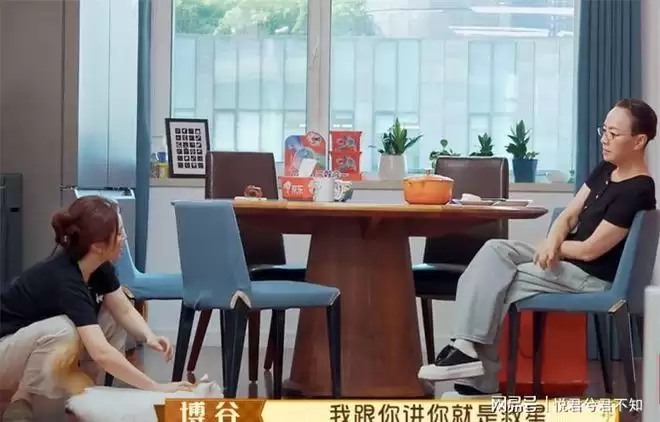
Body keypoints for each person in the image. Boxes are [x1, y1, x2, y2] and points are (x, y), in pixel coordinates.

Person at [418, 99, 657, 397]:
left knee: (499, 279)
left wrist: (555, 247)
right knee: (495, 250)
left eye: (614, 134)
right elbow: (568, 216)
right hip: (567, 261)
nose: (604, 139)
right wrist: (553, 241)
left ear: (639, 141)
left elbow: (590, 250)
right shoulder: (605, 169)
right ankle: (466, 349)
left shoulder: (638, 189)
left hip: (591, 276)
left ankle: (476, 379)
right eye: (603, 131)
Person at [0, 196, 193, 421]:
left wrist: (148, 336)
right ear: (98, 246)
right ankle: (24, 400)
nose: (124, 238)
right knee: (62, 329)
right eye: (119, 233)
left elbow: (123, 310)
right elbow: (101, 352)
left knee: (111, 316)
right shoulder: (64, 279)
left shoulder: (98, 267)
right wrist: (155, 387)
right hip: (6, 350)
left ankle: (85, 395)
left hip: (28, 351)